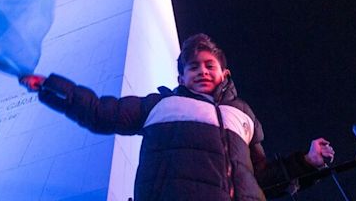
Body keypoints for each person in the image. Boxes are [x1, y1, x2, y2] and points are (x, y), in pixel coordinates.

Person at [20, 33, 334, 200]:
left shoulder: (244, 115)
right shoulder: (159, 105)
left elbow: (260, 177)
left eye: (209, 65)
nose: (202, 71)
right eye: (193, 67)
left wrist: (306, 162)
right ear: (181, 78)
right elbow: (100, 112)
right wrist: (52, 86)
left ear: (224, 73)